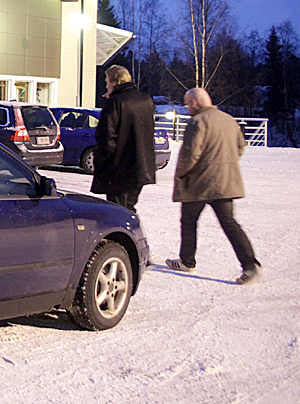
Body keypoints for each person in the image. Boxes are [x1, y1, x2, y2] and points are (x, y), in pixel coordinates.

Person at [165, 87, 262, 285]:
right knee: (230, 223)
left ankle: (187, 261)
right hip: (225, 182)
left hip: (199, 184)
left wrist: (182, 174)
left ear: (194, 103)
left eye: (187, 104)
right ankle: (250, 266)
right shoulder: (228, 119)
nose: (187, 108)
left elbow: (190, 154)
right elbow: (240, 147)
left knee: (189, 222)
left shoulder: (196, 122)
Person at [90, 64, 156, 213]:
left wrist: (104, 158)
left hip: (119, 167)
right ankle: (133, 234)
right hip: (141, 165)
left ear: (115, 82)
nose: (106, 86)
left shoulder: (115, 102)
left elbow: (106, 136)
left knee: (117, 210)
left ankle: (124, 235)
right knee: (129, 207)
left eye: (107, 82)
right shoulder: (145, 99)